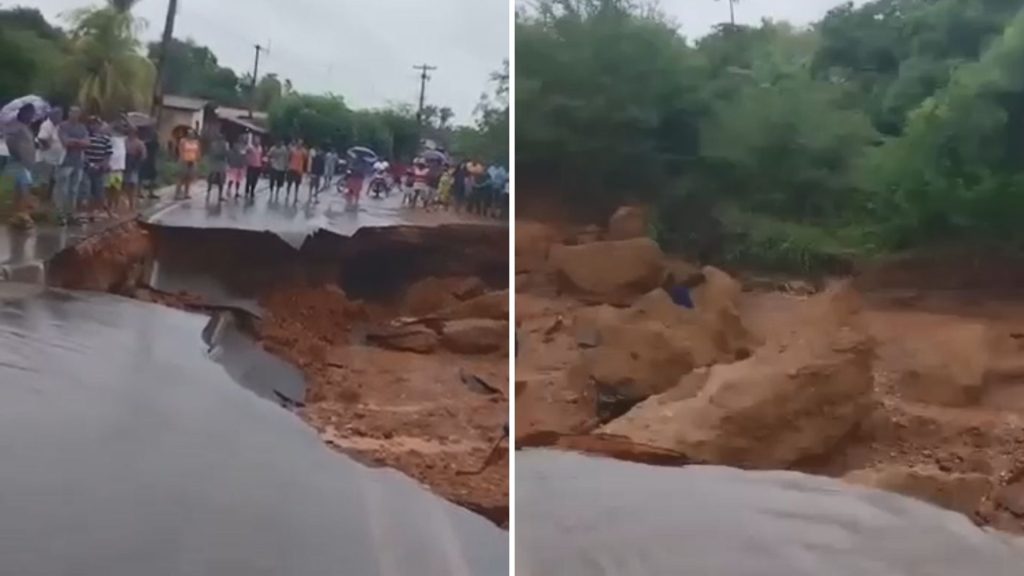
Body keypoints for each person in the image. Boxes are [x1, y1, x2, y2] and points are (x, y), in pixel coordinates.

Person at [54, 106, 90, 225]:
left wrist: (74, 141)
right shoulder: (63, 126)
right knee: (62, 189)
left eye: (76, 113)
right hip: (65, 161)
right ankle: (60, 214)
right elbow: (65, 142)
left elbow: (87, 143)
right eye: (72, 112)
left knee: (74, 190)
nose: (74, 114)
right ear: (68, 113)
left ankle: (70, 214)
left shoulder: (82, 127)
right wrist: (79, 142)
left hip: (78, 162)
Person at [4, 104, 37, 228]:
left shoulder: (26, 128)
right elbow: (10, 142)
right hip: (19, 162)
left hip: (26, 163)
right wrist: (19, 155)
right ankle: (21, 215)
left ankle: (18, 216)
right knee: (23, 189)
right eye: (30, 113)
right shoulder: (17, 127)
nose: (32, 116)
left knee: (20, 190)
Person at [83, 117, 113, 220]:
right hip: (87, 168)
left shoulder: (105, 139)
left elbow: (108, 154)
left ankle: (96, 211)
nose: (94, 126)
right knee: (87, 191)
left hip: (100, 168)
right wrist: (90, 164)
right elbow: (83, 152)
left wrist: (104, 164)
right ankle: (89, 212)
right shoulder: (86, 137)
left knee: (99, 192)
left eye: (96, 124)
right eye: (92, 124)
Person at [37, 107, 65, 202]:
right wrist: (47, 146)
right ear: (52, 115)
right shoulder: (47, 125)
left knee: (53, 180)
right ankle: (42, 199)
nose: (60, 117)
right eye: (58, 115)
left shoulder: (58, 126)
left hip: (56, 158)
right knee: (45, 180)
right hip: (47, 158)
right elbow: (41, 138)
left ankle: (49, 199)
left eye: (61, 115)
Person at [123, 126, 146, 212]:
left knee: (133, 184)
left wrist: (138, 161)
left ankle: (132, 203)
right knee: (125, 183)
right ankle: (126, 200)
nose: (130, 133)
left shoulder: (139, 143)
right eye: (129, 131)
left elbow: (143, 155)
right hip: (125, 162)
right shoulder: (124, 141)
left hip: (134, 164)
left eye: (132, 132)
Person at [107, 124, 127, 211]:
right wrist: (113, 123)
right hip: (110, 168)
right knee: (108, 189)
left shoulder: (123, 139)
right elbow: (105, 130)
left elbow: (132, 129)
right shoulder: (110, 139)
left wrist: (126, 121)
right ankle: (108, 206)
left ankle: (115, 206)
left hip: (119, 169)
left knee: (117, 188)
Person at [176, 129, 200, 199]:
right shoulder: (183, 141)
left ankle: (186, 193)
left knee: (189, 178)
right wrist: (183, 159)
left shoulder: (196, 142)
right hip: (184, 161)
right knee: (181, 177)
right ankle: (177, 193)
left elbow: (197, 152)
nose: (191, 135)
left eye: (192, 134)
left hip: (192, 161)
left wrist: (197, 160)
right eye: (189, 134)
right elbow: (180, 151)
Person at [206, 131, 229, 202]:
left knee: (211, 179)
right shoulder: (225, 144)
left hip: (214, 163)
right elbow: (226, 153)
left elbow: (210, 153)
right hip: (220, 164)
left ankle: (208, 194)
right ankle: (219, 195)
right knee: (221, 180)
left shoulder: (213, 144)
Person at [140, 127, 159, 199]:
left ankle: (150, 192)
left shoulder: (155, 143)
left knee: (152, 177)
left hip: (152, 161)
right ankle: (140, 192)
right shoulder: (147, 143)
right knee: (141, 176)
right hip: (146, 161)